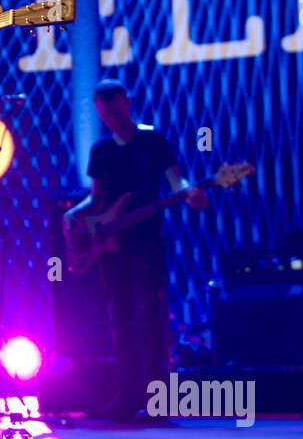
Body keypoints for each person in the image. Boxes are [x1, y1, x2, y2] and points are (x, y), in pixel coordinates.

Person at [63, 77, 208, 420]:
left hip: (145, 240)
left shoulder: (152, 140)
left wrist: (191, 193)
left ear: (126, 103)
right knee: (120, 319)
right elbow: (97, 199)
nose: (111, 119)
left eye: (114, 111)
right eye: (104, 114)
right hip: (112, 244)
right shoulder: (102, 151)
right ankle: (127, 396)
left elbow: (176, 181)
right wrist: (74, 215)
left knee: (150, 318)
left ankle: (157, 399)